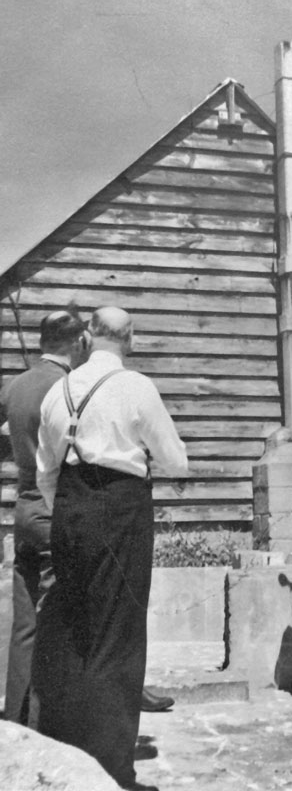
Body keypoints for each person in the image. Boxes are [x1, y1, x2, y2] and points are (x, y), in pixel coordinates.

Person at [32, 307, 188, 791]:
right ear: (129, 339)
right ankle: (114, 772)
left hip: (68, 509)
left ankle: (71, 760)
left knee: (74, 630)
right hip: (120, 510)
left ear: (88, 337)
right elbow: (176, 461)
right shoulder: (136, 387)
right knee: (118, 637)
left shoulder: (59, 390)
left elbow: (45, 472)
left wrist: (70, 509)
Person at [1, 310, 88, 725]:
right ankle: (49, 724)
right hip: (57, 512)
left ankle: (15, 719)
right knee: (59, 620)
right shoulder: (69, 388)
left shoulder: (14, 386)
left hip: (24, 511)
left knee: (25, 625)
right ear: (78, 343)